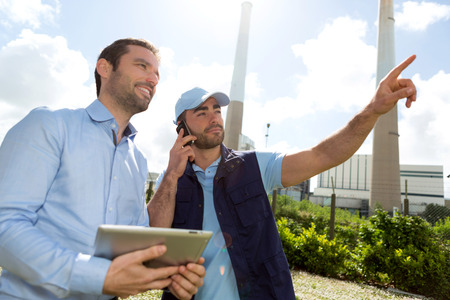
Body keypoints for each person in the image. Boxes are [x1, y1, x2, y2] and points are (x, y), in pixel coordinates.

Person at [147, 55, 418, 299]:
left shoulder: (254, 166)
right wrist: (172, 173)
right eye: (202, 112)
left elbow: (322, 155)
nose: (214, 117)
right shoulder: (169, 182)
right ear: (181, 128)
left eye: (216, 109)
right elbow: (155, 237)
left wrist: (372, 110)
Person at [0, 38, 205, 300]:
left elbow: (135, 247)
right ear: (104, 68)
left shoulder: (138, 160)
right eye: (142, 66)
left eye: (156, 75)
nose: (153, 79)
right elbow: (5, 225)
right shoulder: (50, 125)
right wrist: (99, 277)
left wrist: (171, 274)